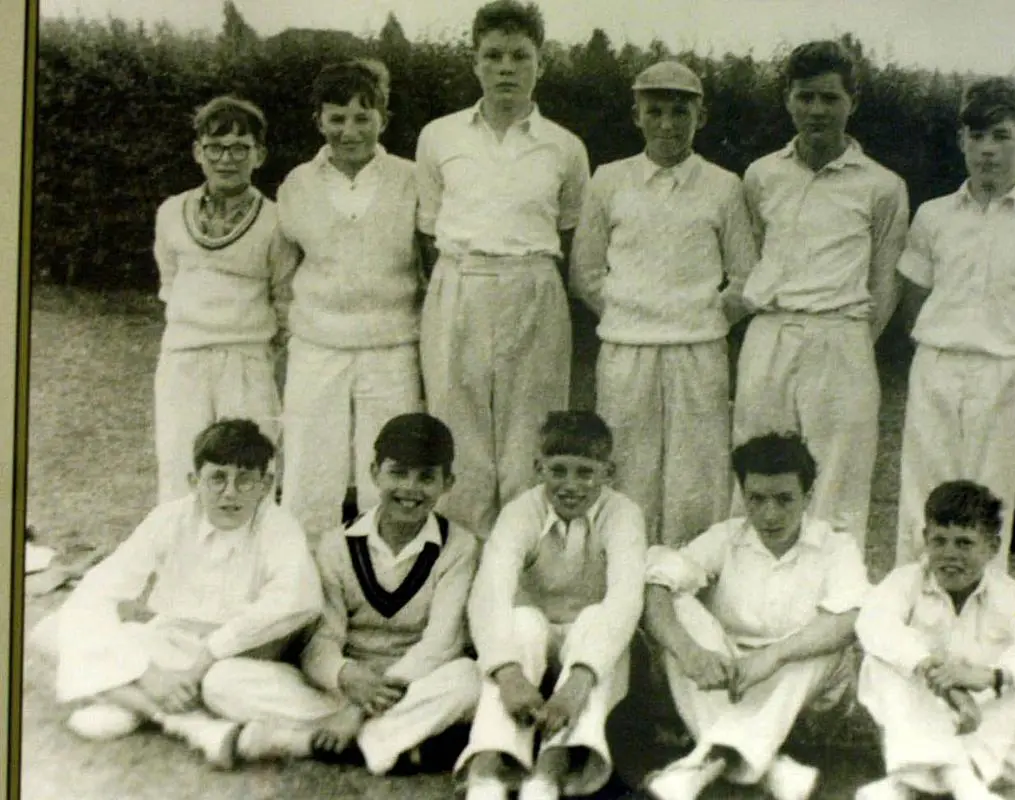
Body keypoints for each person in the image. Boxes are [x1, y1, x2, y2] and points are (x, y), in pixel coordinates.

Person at [196, 413, 482, 776]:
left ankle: (324, 741)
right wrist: (345, 676)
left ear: (447, 482)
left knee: (468, 678)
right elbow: (321, 639)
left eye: (426, 477)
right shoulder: (337, 545)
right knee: (222, 681)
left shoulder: (459, 546)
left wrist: (358, 711)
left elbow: (440, 645)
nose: (410, 489)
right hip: (343, 690)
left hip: (412, 685)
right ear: (374, 472)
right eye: (398, 473)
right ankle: (385, 744)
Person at [31, 419, 321, 768]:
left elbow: (294, 600)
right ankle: (192, 726)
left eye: (245, 480)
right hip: (170, 646)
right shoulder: (169, 518)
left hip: (243, 658)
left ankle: (131, 699)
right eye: (217, 478)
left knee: (220, 685)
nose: (230, 492)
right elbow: (97, 589)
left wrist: (204, 660)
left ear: (265, 485)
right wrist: (151, 675)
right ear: (194, 481)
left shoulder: (279, 526)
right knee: (51, 631)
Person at [415, 0, 590, 536]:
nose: (506, 67)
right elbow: (427, 231)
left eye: (520, 55)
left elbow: (571, 233)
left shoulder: (565, 146)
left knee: (531, 433)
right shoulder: (439, 136)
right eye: (493, 56)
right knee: (456, 426)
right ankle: (460, 562)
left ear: (542, 62)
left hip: (533, 286)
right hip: (459, 284)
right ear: (475, 62)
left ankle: (522, 561)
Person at [892, 77, 1015, 568]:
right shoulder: (933, 216)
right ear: (961, 141)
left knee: (990, 498)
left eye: (1001, 136)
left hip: (1004, 374)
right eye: (976, 137)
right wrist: (940, 349)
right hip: (936, 366)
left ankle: (981, 615)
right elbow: (912, 299)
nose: (988, 151)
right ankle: (913, 613)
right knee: (924, 492)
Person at [570, 60, 757, 548]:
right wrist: (625, 313)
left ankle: (686, 581)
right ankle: (623, 577)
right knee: (626, 465)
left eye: (680, 111)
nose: (668, 125)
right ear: (637, 115)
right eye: (655, 111)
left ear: (702, 115)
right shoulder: (609, 180)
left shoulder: (724, 185)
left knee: (697, 471)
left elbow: (744, 276)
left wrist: (705, 317)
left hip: (698, 351)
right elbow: (586, 273)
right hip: (626, 350)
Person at [735, 40, 909, 545]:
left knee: (839, 478)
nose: (816, 110)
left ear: (852, 102)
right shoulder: (761, 175)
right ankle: (757, 598)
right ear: (788, 99)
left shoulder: (883, 185)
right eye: (805, 97)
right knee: (760, 469)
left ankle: (832, 605)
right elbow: (754, 260)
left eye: (830, 98)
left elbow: (886, 277)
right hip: (769, 335)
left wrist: (852, 339)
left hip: (843, 336)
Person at [640, 432, 870, 800]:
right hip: (731, 675)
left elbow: (850, 620)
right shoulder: (726, 537)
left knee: (824, 639)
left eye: (784, 499)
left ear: (808, 497)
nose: (769, 513)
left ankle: (702, 766)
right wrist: (689, 651)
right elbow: (657, 584)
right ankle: (767, 765)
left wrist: (774, 655)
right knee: (678, 606)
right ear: (743, 494)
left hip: (796, 679)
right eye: (757, 499)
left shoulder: (835, 546)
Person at [456, 411, 646, 800]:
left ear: (608, 472)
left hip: (593, 655)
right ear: (537, 467)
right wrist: (508, 673)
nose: (570, 485)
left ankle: (550, 768)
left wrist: (579, 680)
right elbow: (490, 591)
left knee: (597, 617)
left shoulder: (623, 514)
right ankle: (489, 765)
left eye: (585, 472)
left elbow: (625, 600)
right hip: (531, 654)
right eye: (557, 471)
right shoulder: (521, 512)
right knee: (523, 618)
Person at [275, 58, 425, 544]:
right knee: (309, 467)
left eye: (363, 117)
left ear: (383, 119)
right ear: (318, 120)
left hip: (392, 345)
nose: (349, 130)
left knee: (390, 466)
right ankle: (303, 582)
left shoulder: (412, 180)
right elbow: (285, 268)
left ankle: (383, 572)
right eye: (337, 117)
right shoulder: (297, 184)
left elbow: (430, 265)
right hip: (318, 346)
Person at [855, 481, 1015, 800]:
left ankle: (915, 783)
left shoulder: (1008, 594)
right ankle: (958, 781)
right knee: (880, 661)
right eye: (939, 541)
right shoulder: (907, 582)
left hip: (981, 730)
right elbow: (873, 622)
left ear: (992, 547)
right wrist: (936, 673)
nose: (950, 555)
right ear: (925, 540)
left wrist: (991, 676)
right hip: (925, 715)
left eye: (964, 543)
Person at [152, 96, 288, 504]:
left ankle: (250, 560)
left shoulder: (277, 219)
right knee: (181, 466)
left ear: (259, 154)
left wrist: (259, 350)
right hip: (183, 359)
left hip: (246, 361)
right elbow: (170, 281)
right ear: (198, 152)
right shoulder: (171, 212)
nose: (226, 159)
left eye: (239, 148)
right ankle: (183, 560)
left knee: (249, 467)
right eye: (215, 148)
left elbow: (284, 297)